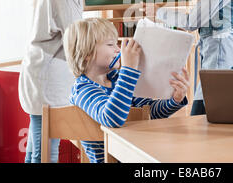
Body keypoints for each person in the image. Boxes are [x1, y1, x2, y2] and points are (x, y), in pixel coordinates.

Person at [18, 0, 107, 163]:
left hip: (45, 70)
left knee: (36, 150)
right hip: (49, 74)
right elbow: (73, 34)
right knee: (45, 152)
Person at [64, 17, 189, 163]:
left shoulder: (118, 79)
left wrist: (175, 100)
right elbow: (112, 118)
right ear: (87, 54)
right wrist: (128, 69)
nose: (118, 49)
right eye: (110, 44)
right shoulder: (82, 89)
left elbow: (149, 113)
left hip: (137, 156)